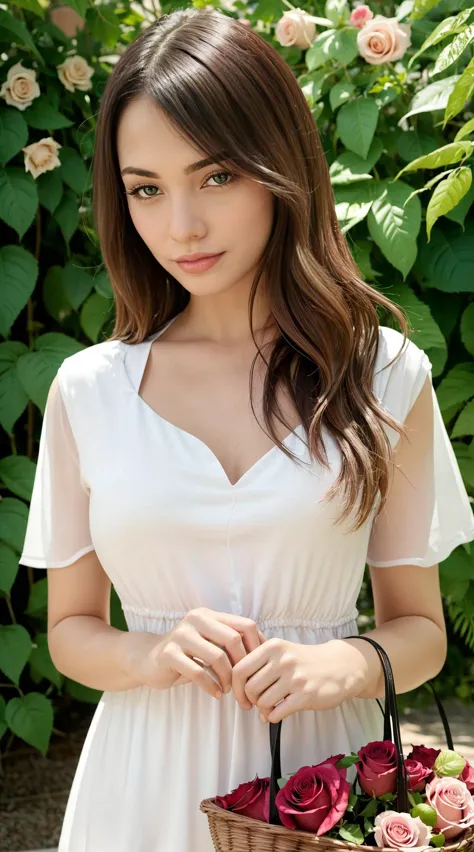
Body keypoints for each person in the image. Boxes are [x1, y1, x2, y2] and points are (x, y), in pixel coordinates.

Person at [19, 8, 474, 851]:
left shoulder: (384, 376)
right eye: (146, 189)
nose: (180, 226)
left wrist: (342, 664)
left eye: (216, 177)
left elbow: (421, 631)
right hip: (140, 784)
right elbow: (71, 632)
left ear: (280, 169)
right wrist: (151, 656)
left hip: (321, 781)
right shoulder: (90, 390)